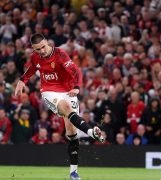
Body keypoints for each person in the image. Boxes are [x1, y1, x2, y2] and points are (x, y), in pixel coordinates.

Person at [14, 33, 104, 180]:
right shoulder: (35, 57)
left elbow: (76, 71)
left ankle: (73, 172)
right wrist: (22, 80)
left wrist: (76, 87)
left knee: (71, 132)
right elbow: (32, 68)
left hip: (69, 91)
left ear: (47, 43)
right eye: (38, 49)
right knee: (65, 107)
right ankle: (90, 131)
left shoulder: (60, 54)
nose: (42, 51)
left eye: (43, 47)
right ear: (33, 49)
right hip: (49, 91)